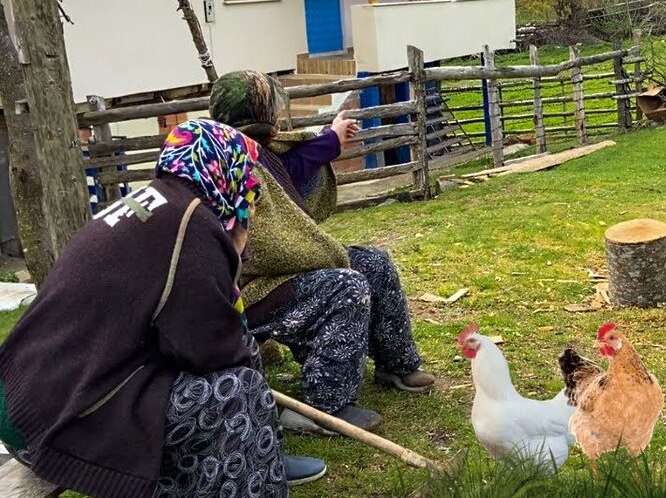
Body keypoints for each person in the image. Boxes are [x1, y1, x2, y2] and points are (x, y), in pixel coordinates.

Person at [0, 119, 326, 498]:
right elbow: (213, 349)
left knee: (228, 379)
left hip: (25, 397)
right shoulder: (191, 223)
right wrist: (234, 248)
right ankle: (254, 467)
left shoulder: (155, 203)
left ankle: (258, 457)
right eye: (247, 176)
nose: (252, 192)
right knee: (237, 388)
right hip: (55, 417)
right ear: (223, 169)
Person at [208, 71, 434, 434]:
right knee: (346, 286)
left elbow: (293, 168)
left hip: (283, 270)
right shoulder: (225, 164)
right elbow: (263, 248)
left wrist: (331, 136)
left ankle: (396, 363)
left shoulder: (262, 154)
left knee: (374, 263)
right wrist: (320, 255)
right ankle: (326, 406)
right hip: (248, 290)